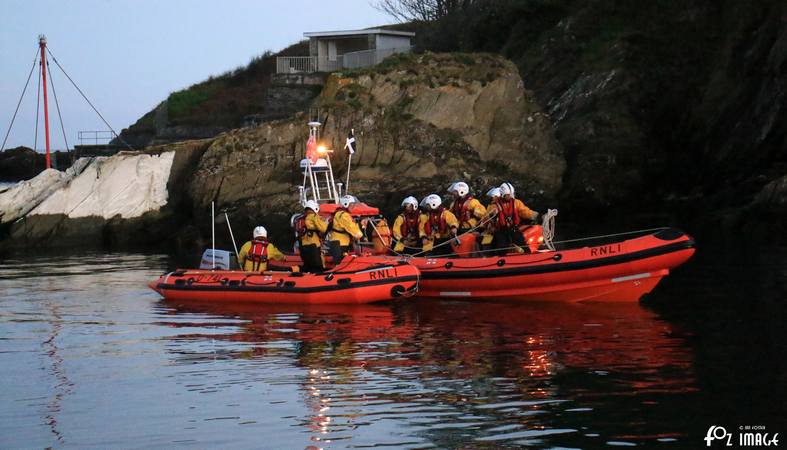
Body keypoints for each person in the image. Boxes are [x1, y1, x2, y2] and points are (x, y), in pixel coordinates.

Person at [491, 182, 540, 255]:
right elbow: (487, 219)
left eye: (510, 194)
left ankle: (528, 256)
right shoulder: (494, 205)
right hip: (500, 230)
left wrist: (536, 215)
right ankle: (499, 259)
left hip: (513, 228)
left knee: (523, 245)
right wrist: (492, 216)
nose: (509, 196)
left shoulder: (516, 203)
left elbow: (525, 211)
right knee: (502, 247)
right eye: (507, 195)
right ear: (502, 195)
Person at [328, 195, 364, 265]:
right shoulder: (344, 215)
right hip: (340, 244)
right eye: (352, 204)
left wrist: (359, 225)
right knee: (341, 265)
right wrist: (361, 230)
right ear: (345, 204)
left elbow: (351, 226)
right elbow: (354, 231)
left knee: (340, 264)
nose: (353, 206)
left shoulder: (339, 214)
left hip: (339, 243)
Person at [294, 200, 328, 272]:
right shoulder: (313, 216)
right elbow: (324, 228)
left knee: (309, 267)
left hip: (303, 247)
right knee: (318, 267)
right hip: (314, 246)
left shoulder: (300, 219)